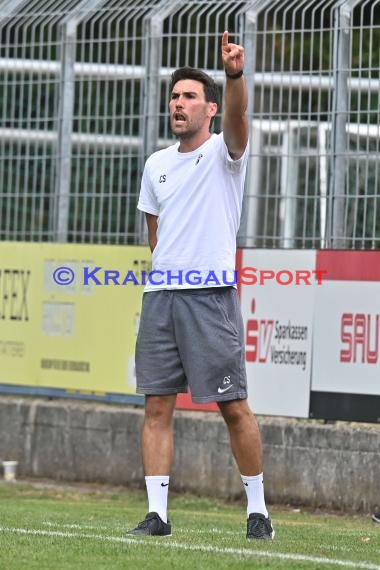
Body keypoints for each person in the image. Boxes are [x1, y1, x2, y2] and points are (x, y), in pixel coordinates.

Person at [127, 31, 274, 541]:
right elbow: (155, 236)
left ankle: (258, 511)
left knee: (233, 406)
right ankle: (158, 515)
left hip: (210, 297)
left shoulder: (225, 152)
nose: (178, 104)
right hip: (161, 297)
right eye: (174, 96)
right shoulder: (156, 165)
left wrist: (235, 75)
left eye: (189, 97)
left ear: (210, 108)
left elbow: (239, 121)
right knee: (156, 406)